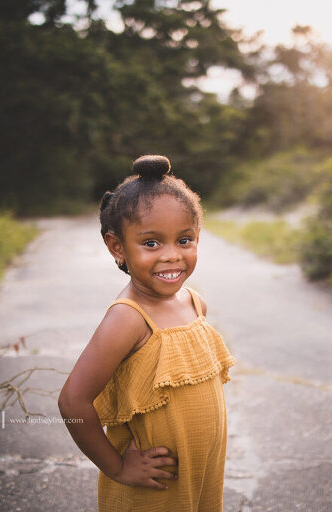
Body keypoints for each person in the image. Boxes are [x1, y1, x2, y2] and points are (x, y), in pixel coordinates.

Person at [57, 155, 237, 511]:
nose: (172, 256)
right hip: (152, 489)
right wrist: (118, 466)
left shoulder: (193, 302)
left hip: (201, 475)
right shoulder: (128, 319)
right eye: (151, 243)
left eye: (184, 240)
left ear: (197, 237)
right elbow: (72, 402)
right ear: (117, 247)